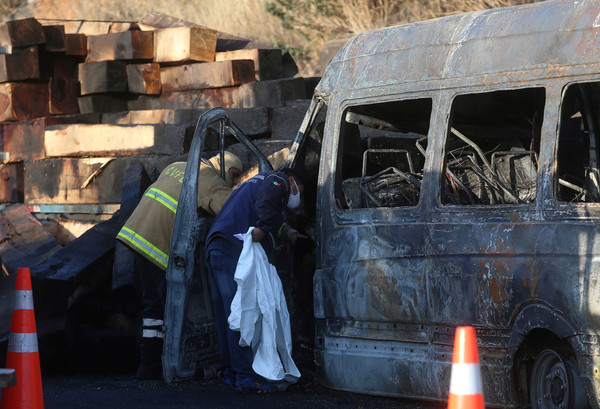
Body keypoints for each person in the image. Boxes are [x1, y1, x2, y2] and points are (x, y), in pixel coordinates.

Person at [117, 151, 242, 380]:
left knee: (152, 306)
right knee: (172, 310)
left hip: (136, 235)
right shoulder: (209, 179)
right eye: (234, 175)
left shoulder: (178, 165)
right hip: (157, 244)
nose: (234, 181)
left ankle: (148, 366)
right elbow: (232, 212)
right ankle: (174, 367)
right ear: (223, 166)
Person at [205, 167, 305, 393]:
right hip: (231, 249)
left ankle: (231, 372)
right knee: (243, 312)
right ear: (291, 180)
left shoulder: (255, 183)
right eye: (300, 190)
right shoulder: (277, 179)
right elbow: (268, 203)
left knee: (228, 316)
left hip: (216, 247)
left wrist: (285, 231)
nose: (298, 196)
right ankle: (246, 377)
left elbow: (268, 209)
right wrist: (262, 228)